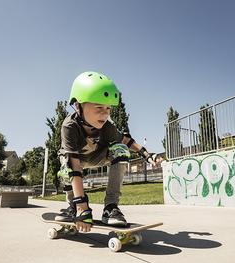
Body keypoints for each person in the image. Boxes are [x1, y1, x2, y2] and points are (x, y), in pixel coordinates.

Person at [55, 71, 162, 233]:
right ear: (78, 106)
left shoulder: (107, 126)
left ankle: (111, 207)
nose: (105, 114)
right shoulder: (69, 126)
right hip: (75, 160)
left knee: (121, 150)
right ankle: (72, 205)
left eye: (108, 108)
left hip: (97, 156)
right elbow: (74, 165)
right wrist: (82, 205)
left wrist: (147, 155)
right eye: (98, 107)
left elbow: (126, 140)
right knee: (66, 167)